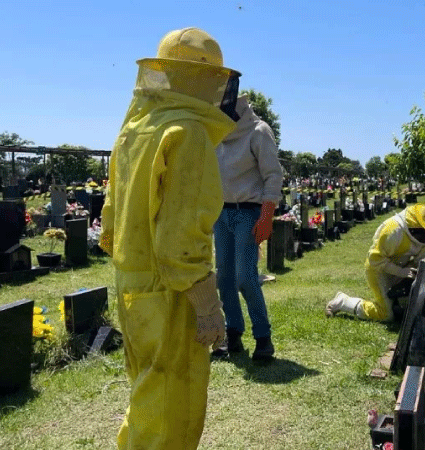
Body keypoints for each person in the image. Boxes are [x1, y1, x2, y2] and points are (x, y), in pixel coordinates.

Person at [99, 27, 240, 450]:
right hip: (170, 291)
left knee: (147, 397)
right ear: (204, 79)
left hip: (132, 286)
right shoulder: (187, 132)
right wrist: (206, 304)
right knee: (170, 414)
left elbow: (110, 218)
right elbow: (180, 238)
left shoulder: (134, 130)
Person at [211, 94, 283, 359]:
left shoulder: (259, 132)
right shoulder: (217, 135)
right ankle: (233, 335)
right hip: (222, 213)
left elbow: (273, 176)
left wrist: (267, 216)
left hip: (248, 213)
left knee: (245, 278)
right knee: (224, 278)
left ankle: (263, 338)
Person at [326, 204, 425, 321]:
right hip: (379, 270)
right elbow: (375, 260)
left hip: (402, 268)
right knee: (385, 314)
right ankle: (343, 302)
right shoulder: (393, 231)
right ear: (419, 227)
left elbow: (423, 261)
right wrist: (401, 272)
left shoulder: (422, 233)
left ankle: (402, 305)